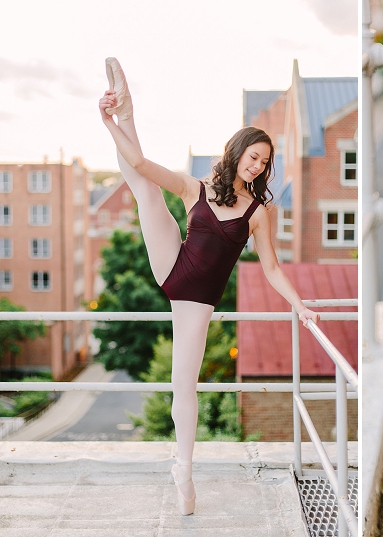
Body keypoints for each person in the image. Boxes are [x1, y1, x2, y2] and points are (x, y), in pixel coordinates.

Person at [99, 58, 319, 516]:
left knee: (185, 385)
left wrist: (300, 304)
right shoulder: (194, 188)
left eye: (264, 162)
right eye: (253, 157)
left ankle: (184, 470)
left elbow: (273, 268)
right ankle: (127, 110)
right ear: (236, 151)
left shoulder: (258, 213)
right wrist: (111, 122)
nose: (257, 167)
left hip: (197, 299)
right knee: (144, 187)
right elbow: (138, 162)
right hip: (172, 266)